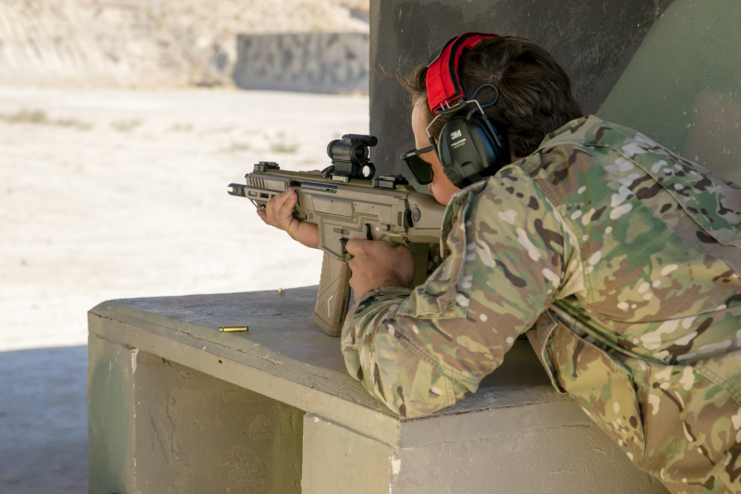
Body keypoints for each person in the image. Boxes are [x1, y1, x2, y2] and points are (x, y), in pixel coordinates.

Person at [257, 34, 741, 494]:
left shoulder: (518, 199)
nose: (429, 187)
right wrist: (348, 234)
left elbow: (411, 376)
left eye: (427, 163)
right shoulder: (621, 151)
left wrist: (378, 285)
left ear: (468, 150)